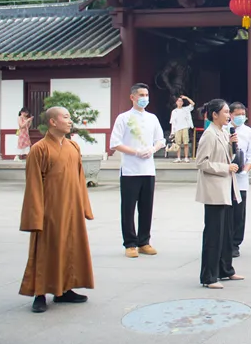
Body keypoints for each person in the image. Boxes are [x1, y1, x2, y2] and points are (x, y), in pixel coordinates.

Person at [19, 106, 94, 314]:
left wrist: (83, 206)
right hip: (49, 208)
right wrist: (35, 215)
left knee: (70, 247)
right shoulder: (39, 149)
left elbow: (80, 178)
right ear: (53, 122)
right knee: (46, 250)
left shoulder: (73, 147)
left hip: (71, 207)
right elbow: (33, 184)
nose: (70, 121)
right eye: (66, 117)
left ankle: (64, 290)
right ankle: (40, 293)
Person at [110, 83, 165, 258]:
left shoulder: (152, 118)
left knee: (146, 207)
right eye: (141, 95)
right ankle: (130, 243)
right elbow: (115, 143)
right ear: (132, 97)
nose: (144, 98)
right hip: (130, 170)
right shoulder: (123, 118)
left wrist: (153, 149)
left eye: (146, 95)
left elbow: (160, 139)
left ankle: (144, 241)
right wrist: (135, 151)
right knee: (128, 208)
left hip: (148, 169)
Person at [196, 99, 244, 289]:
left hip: (226, 188)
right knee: (214, 234)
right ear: (214, 115)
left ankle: (225, 269)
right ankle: (209, 277)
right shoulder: (209, 135)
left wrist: (233, 146)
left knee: (225, 233)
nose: (228, 115)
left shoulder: (224, 133)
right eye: (225, 112)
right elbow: (201, 163)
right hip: (214, 190)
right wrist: (226, 167)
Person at [229, 102, 251, 258]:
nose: (240, 117)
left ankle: (235, 243)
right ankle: (224, 240)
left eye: (242, 114)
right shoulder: (223, 129)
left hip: (240, 179)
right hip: (225, 176)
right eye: (237, 114)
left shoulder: (249, 132)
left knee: (238, 213)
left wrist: (245, 170)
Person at [169, 94, 196, 163]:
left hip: (185, 128)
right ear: (176, 102)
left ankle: (186, 157)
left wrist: (186, 97)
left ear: (183, 102)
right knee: (178, 144)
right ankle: (178, 158)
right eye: (178, 101)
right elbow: (173, 123)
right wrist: (172, 132)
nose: (180, 102)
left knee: (186, 143)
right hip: (177, 129)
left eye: (181, 101)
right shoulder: (174, 111)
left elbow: (193, 104)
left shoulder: (186, 109)